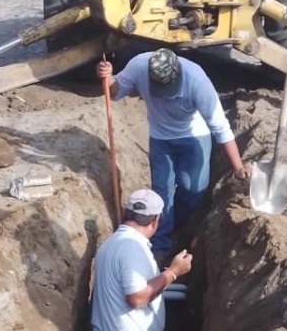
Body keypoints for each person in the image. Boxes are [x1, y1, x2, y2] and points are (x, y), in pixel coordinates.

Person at [96, 49, 249, 259]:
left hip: (194, 137)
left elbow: (221, 128)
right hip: (160, 138)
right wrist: (108, 77)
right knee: (162, 194)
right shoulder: (139, 65)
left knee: (193, 191)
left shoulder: (197, 81)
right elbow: (115, 91)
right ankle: (160, 246)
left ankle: (178, 231)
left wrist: (238, 167)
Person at [91, 189, 193, 331]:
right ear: (155, 220)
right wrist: (173, 272)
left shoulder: (111, 243)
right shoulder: (131, 246)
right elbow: (137, 298)